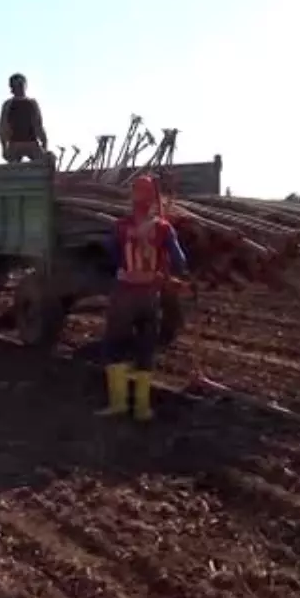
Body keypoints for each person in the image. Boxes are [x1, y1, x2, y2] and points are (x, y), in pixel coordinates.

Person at [98, 175, 188, 422]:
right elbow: (180, 262)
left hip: (125, 293)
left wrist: (122, 266)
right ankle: (142, 409)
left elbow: (109, 253)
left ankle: (117, 404)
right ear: (153, 199)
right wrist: (164, 267)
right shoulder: (164, 228)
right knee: (146, 349)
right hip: (150, 295)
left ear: (132, 197)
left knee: (114, 346)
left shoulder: (120, 226)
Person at [0, 73, 48, 163]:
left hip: (31, 142)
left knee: (45, 162)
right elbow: (3, 127)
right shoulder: (8, 104)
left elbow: (38, 125)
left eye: (20, 85)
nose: (18, 88)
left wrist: (44, 144)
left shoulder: (31, 103)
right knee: (14, 168)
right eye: (15, 85)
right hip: (15, 143)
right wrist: (4, 147)